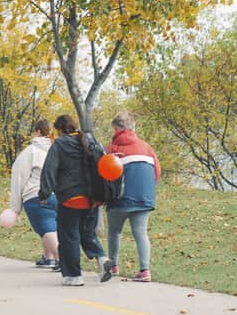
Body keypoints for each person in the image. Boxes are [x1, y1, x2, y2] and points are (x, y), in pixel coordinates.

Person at [38, 114, 111, 286]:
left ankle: (73, 276)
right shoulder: (89, 141)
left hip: (71, 198)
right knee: (87, 233)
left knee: (69, 235)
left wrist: (44, 194)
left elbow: (49, 169)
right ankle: (102, 258)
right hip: (93, 198)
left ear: (61, 129)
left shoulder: (60, 144)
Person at [103, 110, 161, 282]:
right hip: (144, 197)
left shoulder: (111, 149)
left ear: (116, 128)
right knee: (141, 233)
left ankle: (113, 265)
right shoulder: (146, 147)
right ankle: (145, 270)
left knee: (114, 231)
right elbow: (157, 172)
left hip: (119, 199)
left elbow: (104, 174)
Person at [8, 118, 59, 269]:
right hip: (58, 195)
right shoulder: (57, 150)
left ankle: (62, 259)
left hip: (36, 195)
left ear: (37, 131)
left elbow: (19, 178)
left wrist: (15, 208)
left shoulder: (30, 152)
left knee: (46, 228)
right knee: (50, 226)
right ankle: (47, 257)